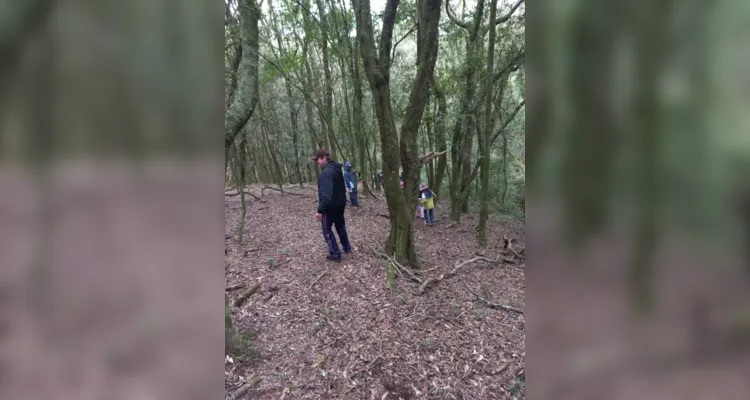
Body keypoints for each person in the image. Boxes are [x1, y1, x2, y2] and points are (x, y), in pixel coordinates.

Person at [313, 149, 352, 262]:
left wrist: (320, 210)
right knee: (340, 226)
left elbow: (326, 196)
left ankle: (335, 254)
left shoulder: (325, 174)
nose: (317, 162)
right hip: (340, 204)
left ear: (324, 158)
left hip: (330, 207)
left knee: (326, 230)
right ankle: (347, 247)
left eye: (318, 159)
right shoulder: (337, 169)